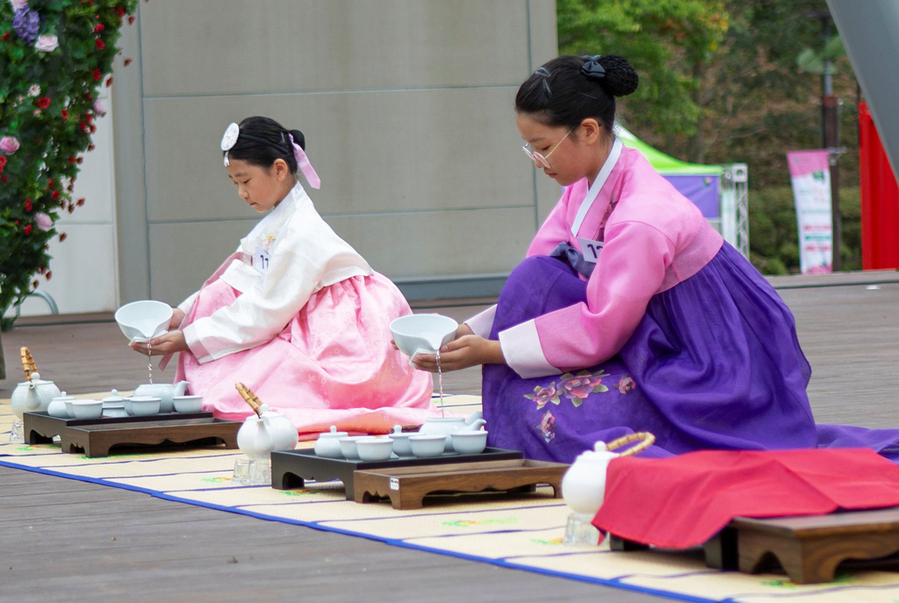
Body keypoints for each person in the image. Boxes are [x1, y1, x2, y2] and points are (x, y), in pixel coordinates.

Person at [412, 55, 899, 464]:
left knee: (559, 422)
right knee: (535, 285)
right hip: (648, 334)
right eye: (530, 149)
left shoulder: (642, 216)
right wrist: (473, 333)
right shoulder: (583, 189)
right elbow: (538, 280)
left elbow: (603, 325)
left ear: (586, 130)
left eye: (542, 147)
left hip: (709, 354)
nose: (538, 161)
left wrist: (494, 352)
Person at [131, 116, 437, 435]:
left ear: (278, 169)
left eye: (245, 181)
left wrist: (189, 338)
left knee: (239, 393)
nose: (241, 192)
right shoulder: (279, 220)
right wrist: (183, 314)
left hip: (340, 333)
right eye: (235, 183)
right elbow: (238, 277)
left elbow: (267, 309)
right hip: (295, 315)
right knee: (223, 326)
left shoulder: (301, 232)